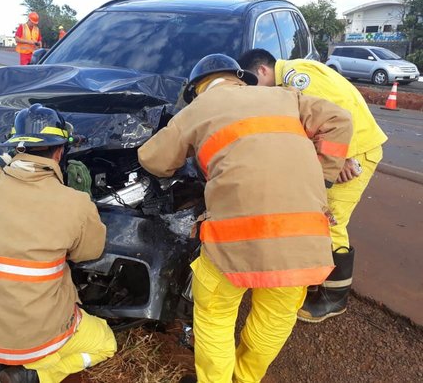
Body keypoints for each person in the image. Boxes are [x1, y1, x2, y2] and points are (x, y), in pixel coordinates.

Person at [138, 54, 353, 383]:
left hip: (232, 240)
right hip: (303, 237)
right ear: (242, 78)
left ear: (199, 89)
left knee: (216, 316)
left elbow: (153, 159)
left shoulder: (199, 108)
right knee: (274, 318)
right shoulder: (284, 95)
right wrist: (321, 180)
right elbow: (340, 121)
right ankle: (246, 378)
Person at [0, 103, 117, 383]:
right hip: (36, 339)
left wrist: (3, 157)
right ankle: (37, 375)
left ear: (17, 147)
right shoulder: (75, 204)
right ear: (59, 151)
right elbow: (88, 252)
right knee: (106, 343)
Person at [237, 48, 388, 323]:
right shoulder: (284, 83)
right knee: (315, 215)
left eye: (252, 83)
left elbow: (339, 113)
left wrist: (340, 158)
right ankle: (317, 279)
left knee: (331, 221)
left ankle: (334, 298)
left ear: (262, 70)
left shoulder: (297, 77)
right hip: (340, 152)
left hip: (355, 152)